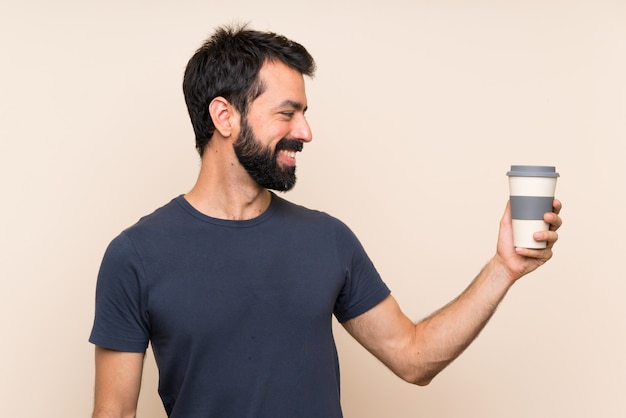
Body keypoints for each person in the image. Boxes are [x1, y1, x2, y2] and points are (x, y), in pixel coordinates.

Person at [89, 24, 562, 418]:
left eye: (304, 114)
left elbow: (414, 357)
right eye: (286, 114)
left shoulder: (327, 239)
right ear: (224, 116)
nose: (305, 132)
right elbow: (115, 414)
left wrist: (505, 267)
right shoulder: (136, 257)